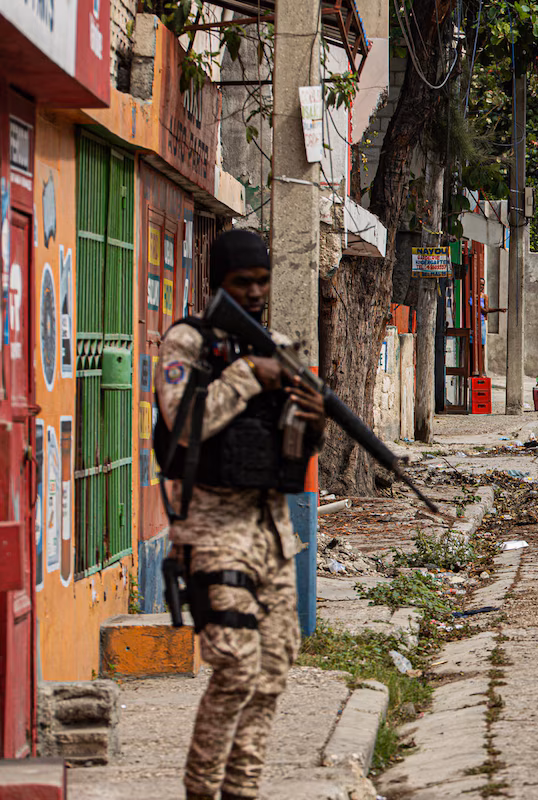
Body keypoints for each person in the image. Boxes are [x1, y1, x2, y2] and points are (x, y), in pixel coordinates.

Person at [156, 229, 327, 800]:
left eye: (262, 281)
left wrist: (311, 419)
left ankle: (242, 790)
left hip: (271, 530)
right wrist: (251, 374)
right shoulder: (187, 343)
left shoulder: (277, 346)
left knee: (272, 671)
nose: (255, 292)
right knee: (235, 667)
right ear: (218, 284)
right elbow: (185, 423)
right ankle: (202, 791)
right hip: (213, 529)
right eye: (242, 282)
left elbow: (291, 449)